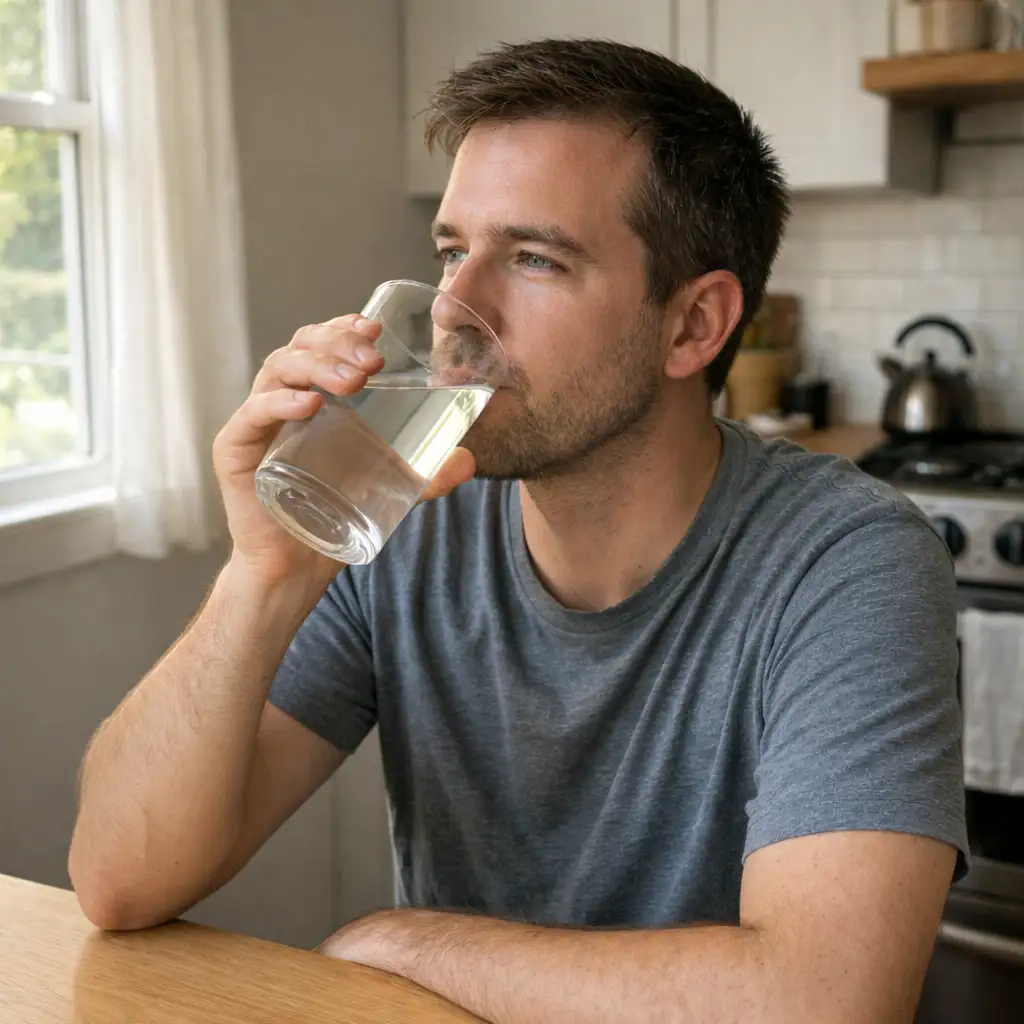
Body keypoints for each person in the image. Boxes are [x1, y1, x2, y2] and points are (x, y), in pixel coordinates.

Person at [69, 39, 967, 1023]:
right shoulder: (404, 516)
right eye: (453, 249)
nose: (455, 307)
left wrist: (398, 942)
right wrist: (263, 571)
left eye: (535, 258)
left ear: (693, 326)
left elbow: (824, 1001)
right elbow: (119, 878)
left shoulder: (847, 559)